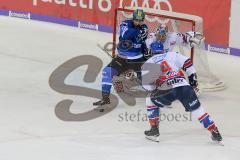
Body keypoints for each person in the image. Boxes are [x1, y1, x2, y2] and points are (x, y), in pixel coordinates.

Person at [141, 41, 222, 143]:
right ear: (163, 50)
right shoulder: (172, 54)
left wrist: (157, 90)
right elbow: (187, 62)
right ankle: (214, 131)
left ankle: (154, 131)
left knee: (149, 99)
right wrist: (193, 81)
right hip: (183, 86)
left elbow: (147, 87)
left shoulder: (147, 64)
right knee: (197, 109)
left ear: (151, 52)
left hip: (167, 90)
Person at [93, 9, 148, 106]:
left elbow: (141, 42)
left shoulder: (144, 28)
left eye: (140, 20)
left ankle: (159, 95)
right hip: (122, 59)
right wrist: (136, 31)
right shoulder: (125, 24)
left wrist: (145, 51)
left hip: (138, 59)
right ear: (133, 18)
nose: (138, 22)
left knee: (146, 82)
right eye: (136, 20)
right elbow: (124, 37)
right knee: (107, 72)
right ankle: (105, 99)